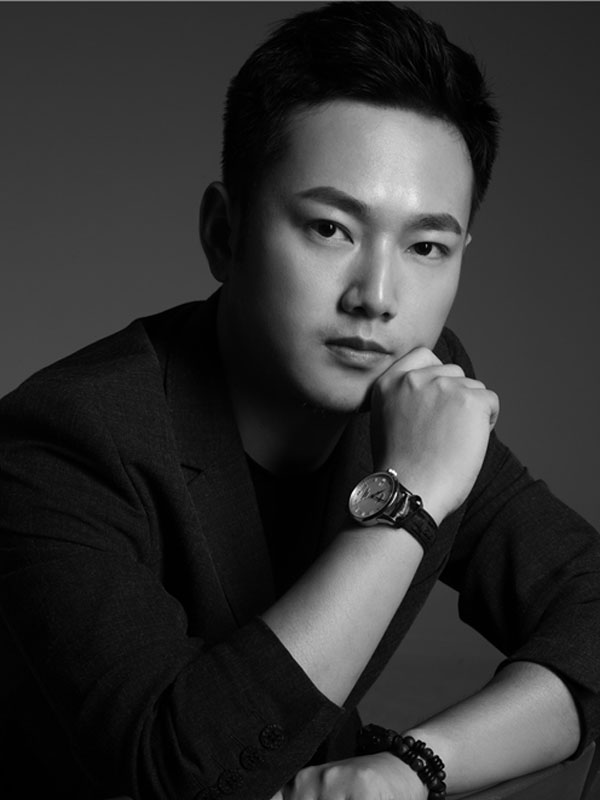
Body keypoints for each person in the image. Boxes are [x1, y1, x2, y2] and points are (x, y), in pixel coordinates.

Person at [0, 3, 599, 799]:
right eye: (329, 229)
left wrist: (409, 770)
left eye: (426, 246)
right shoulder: (64, 441)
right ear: (225, 233)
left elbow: (590, 606)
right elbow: (177, 774)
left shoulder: (420, 393)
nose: (377, 296)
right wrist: (410, 498)